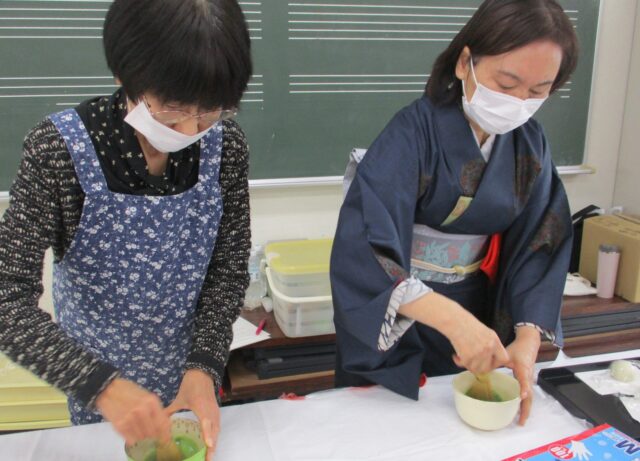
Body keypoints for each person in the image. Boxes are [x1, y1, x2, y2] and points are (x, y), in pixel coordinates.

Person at [0, 0, 252, 458]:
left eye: (211, 110)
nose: (191, 129)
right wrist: (102, 387)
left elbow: (228, 270)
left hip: (190, 385)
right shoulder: (59, 151)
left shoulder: (225, 147)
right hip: (98, 396)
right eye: (172, 109)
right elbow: (6, 301)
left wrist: (204, 365)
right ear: (124, 76)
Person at [331, 0, 577, 426]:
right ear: (465, 63)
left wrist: (527, 338)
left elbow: (542, 240)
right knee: (390, 431)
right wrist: (452, 320)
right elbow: (365, 245)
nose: (519, 102)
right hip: (402, 323)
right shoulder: (412, 133)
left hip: (476, 315)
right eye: (507, 83)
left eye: (538, 92)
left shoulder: (530, 144)